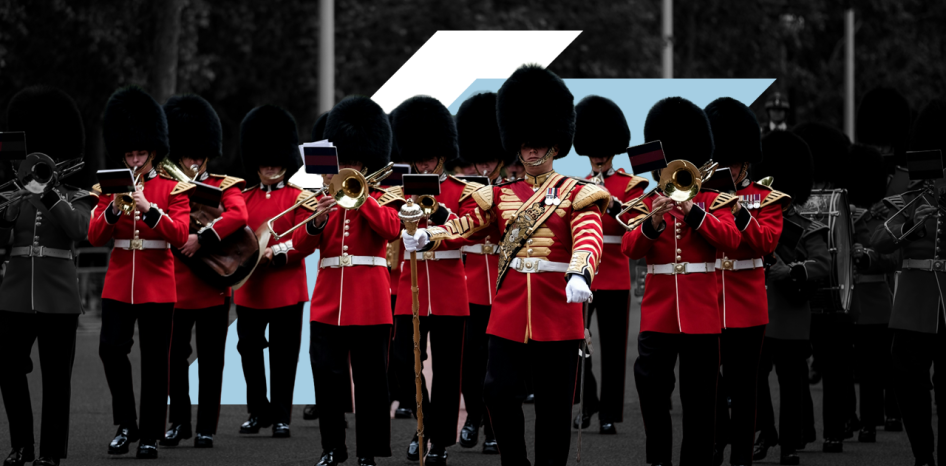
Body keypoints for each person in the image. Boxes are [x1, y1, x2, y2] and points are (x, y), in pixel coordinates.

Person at [403, 64, 608, 466]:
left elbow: (588, 235)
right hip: (510, 310)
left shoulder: (577, 193)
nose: (530, 152)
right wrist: (430, 235)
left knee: (553, 405)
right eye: (525, 144)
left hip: (557, 307)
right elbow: (466, 226)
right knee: (496, 392)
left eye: (538, 144)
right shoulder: (500, 196)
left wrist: (580, 271)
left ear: (554, 145)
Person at [622, 96, 740, 466]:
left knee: (700, 398)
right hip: (659, 313)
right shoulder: (648, 201)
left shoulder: (714, 199)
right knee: (651, 388)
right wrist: (654, 222)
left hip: (700, 313)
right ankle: (658, 459)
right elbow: (629, 247)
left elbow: (731, 239)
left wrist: (693, 212)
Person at [291, 96, 399, 466]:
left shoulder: (384, 195)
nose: (346, 167)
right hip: (328, 302)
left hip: (369, 300)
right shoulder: (321, 198)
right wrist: (318, 219)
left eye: (353, 162)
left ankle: (368, 451)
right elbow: (300, 246)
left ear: (365, 162)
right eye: (343, 161)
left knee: (371, 382)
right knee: (327, 378)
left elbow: (391, 229)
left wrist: (360, 198)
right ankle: (332, 447)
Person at [89, 86, 193, 459]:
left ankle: (149, 433)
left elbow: (179, 234)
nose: (134, 160)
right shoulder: (108, 188)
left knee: (155, 361)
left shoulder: (172, 188)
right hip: (119, 281)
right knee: (110, 350)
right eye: (129, 154)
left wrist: (149, 208)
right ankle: (126, 425)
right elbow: (94, 235)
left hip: (157, 283)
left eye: (140, 154)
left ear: (153, 152)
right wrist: (113, 210)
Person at [0, 86, 94, 466]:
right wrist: (8, 213)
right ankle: (22, 445)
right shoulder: (13, 195)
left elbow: (80, 230)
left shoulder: (77, 195)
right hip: (16, 294)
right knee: (7, 366)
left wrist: (50, 194)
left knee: (56, 379)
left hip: (58, 297)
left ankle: (50, 453)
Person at [387, 95, 473, 465]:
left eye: (429, 157)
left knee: (449, 371)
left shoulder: (463, 189)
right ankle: (426, 426)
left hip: (450, 286)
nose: (423, 164)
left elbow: (467, 229)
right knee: (403, 362)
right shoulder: (401, 190)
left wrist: (437, 215)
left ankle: (438, 440)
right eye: (418, 157)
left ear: (442, 154)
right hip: (412, 287)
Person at [160, 94, 248, 449]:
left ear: (208, 154)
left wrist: (203, 238)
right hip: (175, 286)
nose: (193, 161)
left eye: (199, 155)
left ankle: (206, 427)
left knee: (211, 361)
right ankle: (179, 422)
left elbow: (239, 215)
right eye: (187, 155)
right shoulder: (168, 187)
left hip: (212, 284)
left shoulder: (224, 185)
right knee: (173, 360)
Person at [704, 97, 787, 465]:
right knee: (709, 382)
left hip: (747, 303)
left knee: (744, 387)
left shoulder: (766, 199)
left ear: (747, 162)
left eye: (734, 163)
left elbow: (766, 242)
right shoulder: (704, 196)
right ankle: (716, 439)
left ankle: (741, 456)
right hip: (709, 299)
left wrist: (738, 211)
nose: (728, 169)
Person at [872, 99, 946, 466]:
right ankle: (923, 454)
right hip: (915, 298)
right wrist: (911, 224)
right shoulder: (911, 192)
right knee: (905, 375)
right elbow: (879, 239)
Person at [234, 105, 314, 439]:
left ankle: (281, 416)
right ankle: (258, 410)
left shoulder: (300, 198)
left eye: (276, 161)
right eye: (264, 161)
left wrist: (276, 253)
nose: (270, 166)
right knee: (249, 351)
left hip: (286, 286)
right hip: (250, 288)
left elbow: (305, 240)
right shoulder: (243, 198)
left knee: (284, 355)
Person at [751, 130, 830, 465]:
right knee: (754, 378)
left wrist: (792, 270)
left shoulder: (807, 227)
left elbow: (822, 264)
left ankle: (789, 443)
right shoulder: (752, 221)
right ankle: (765, 431)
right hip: (757, 312)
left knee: (791, 383)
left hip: (791, 315)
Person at [571, 95, 648, 435]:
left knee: (614, 349)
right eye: (593, 151)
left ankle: (608, 413)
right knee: (575, 342)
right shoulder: (578, 185)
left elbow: (636, 225)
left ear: (613, 151)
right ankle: (587, 401)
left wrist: (613, 205)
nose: (599, 156)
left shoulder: (631, 185)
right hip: (584, 273)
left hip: (615, 273)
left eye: (603, 151)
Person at [794, 122, 857, 451]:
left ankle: (834, 428)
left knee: (834, 363)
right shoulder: (790, 204)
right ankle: (803, 427)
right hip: (800, 292)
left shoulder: (843, 202)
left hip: (834, 292)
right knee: (796, 363)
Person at [854, 86, 913, 434]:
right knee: (872, 354)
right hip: (873, 273)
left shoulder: (906, 178)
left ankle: (895, 409)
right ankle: (873, 414)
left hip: (901, 269)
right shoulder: (863, 173)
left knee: (896, 353)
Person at [453, 92, 508, 455]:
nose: (485, 166)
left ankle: (492, 425)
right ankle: (473, 416)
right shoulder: (464, 193)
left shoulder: (514, 192)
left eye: (490, 160)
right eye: (480, 160)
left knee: (497, 362)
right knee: (469, 361)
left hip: (503, 285)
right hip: (470, 286)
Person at [846, 144, 899, 444]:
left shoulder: (883, 216)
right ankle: (864, 421)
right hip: (853, 299)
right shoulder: (846, 216)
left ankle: (890, 413)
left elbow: (892, 259)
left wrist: (867, 255)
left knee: (885, 363)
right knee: (864, 367)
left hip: (878, 297)